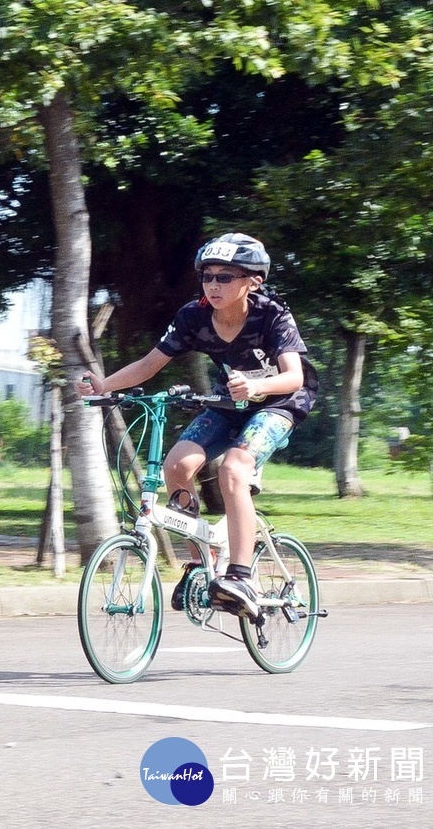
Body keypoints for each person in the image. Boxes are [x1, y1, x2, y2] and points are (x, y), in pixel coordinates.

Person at [77, 233, 317, 619]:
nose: (214, 284)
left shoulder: (272, 314)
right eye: (208, 276)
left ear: (253, 281)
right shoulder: (194, 316)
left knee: (234, 469)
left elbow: (294, 377)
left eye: (226, 277)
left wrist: (256, 386)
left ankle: (241, 577)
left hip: (280, 402)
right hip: (230, 400)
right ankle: (200, 564)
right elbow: (149, 364)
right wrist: (104, 386)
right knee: (177, 466)